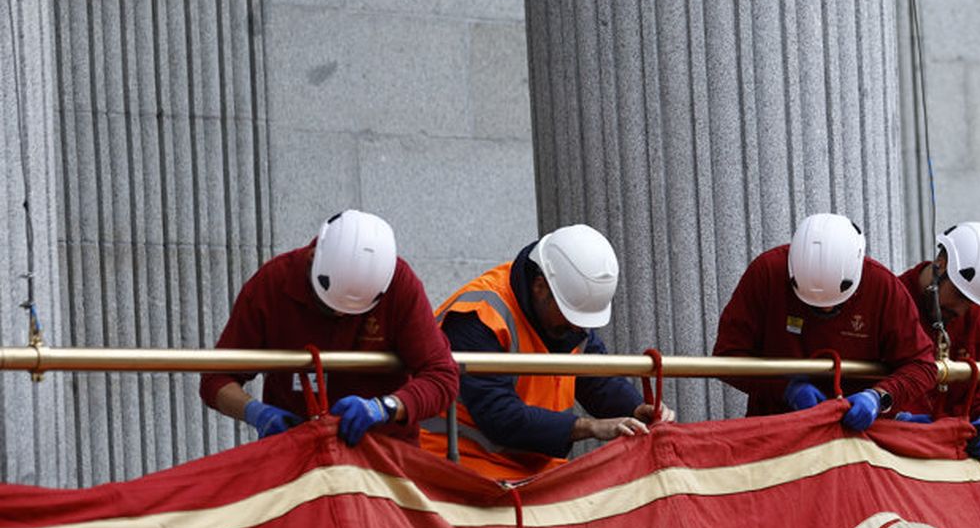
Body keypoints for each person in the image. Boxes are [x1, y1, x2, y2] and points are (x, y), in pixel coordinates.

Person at [419, 224, 674, 481]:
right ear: (539, 287)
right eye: (570, 313)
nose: (577, 326)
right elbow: (499, 414)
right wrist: (589, 427)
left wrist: (635, 408)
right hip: (459, 469)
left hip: (534, 472)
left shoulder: (565, 316)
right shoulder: (479, 316)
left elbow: (597, 379)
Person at [200, 209, 458, 447]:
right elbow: (216, 378)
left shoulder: (399, 284)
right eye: (328, 305)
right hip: (296, 452)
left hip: (385, 457)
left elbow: (442, 376)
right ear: (313, 258)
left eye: (352, 311)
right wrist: (256, 413)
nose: (339, 315)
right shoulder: (272, 284)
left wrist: (386, 408)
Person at [713, 213, 935, 431]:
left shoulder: (882, 287)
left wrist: (879, 397)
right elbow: (727, 357)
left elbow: (922, 366)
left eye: (835, 304)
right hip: (777, 428)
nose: (824, 309)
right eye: (811, 305)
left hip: (857, 434)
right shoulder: (767, 274)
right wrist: (785, 388)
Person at [894, 221, 980, 460]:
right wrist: (896, 418)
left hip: (959, 455)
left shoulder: (975, 317)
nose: (961, 309)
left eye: (971, 302)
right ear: (941, 265)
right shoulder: (893, 302)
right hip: (898, 454)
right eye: (959, 295)